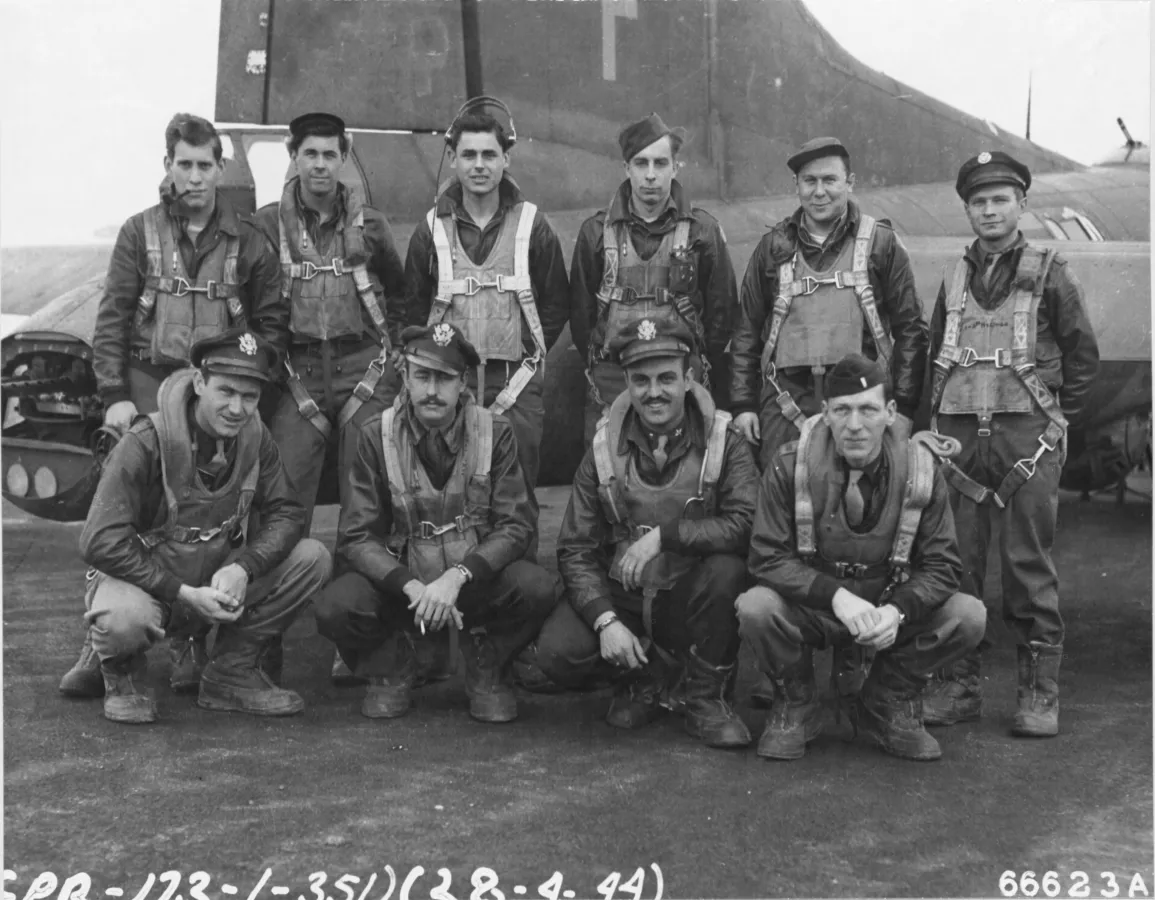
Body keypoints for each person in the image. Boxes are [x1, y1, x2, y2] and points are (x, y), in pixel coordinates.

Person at [62, 113, 287, 699]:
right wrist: (114, 397)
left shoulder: (248, 240)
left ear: (220, 167)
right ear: (168, 167)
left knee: (215, 503)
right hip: (149, 380)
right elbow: (112, 316)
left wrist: (243, 383)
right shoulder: (139, 232)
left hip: (217, 385)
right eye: (183, 165)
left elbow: (270, 324)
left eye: (204, 165)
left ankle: (193, 639)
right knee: (128, 508)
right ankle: (103, 634)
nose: (194, 177)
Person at [922, 152, 1099, 737]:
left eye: (1000, 199)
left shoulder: (1051, 271)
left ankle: (1038, 693)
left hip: (1030, 441)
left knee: (1027, 566)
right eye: (979, 201)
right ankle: (959, 685)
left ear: (1021, 204)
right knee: (956, 565)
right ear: (967, 209)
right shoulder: (952, 277)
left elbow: (1082, 357)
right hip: (960, 444)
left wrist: (1057, 422)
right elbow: (933, 360)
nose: (989, 210)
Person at [73, 329, 331, 724]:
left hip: (212, 578)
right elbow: (99, 540)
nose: (237, 408)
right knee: (123, 619)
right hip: (151, 582)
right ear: (198, 382)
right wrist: (181, 592)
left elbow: (288, 512)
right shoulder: (146, 441)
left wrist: (244, 568)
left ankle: (230, 672)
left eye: (250, 396)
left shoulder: (255, 437)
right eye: (225, 391)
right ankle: (118, 673)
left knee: (312, 558)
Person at [736, 353, 985, 761]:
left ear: (889, 412)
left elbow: (944, 567)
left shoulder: (921, 470)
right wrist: (836, 596)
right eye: (842, 410)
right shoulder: (789, 466)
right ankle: (797, 702)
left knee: (969, 615)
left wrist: (898, 611)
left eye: (868, 409)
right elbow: (766, 556)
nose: (854, 426)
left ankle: (887, 700)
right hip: (816, 605)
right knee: (756, 607)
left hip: (886, 600)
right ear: (825, 413)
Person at [312, 324, 558, 723]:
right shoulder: (376, 434)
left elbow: (517, 526)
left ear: (463, 383)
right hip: (404, 588)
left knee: (537, 588)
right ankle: (395, 664)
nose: (431, 390)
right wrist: (408, 584)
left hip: (472, 584)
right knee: (335, 606)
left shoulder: (496, 432)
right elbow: (356, 536)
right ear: (404, 378)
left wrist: (459, 576)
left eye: (444, 378)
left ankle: (486, 664)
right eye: (422, 376)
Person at [535, 318, 757, 749]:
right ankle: (647, 678)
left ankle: (705, 697)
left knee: (729, 570)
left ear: (688, 379)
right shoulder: (602, 447)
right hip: (628, 593)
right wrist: (605, 621)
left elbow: (748, 522)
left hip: (690, 594)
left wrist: (666, 536)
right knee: (558, 652)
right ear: (627, 383)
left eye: (666, 379)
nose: (654, 392)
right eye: (640, 381)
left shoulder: (725, 440)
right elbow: (576, 547)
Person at [730, 137, 928, 472]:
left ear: (850, 183)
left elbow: (911, 328)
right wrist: (744, 403)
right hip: (785, 400)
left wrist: (904, 407)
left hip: (859, 402)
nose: (819, 192)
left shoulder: (881, 244)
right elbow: (746, 329)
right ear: (797, 186)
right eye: (810, 181)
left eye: (830, 180)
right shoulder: (772, 248)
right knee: (782, 503)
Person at [403, 99, 569, 493]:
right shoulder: (430, 230)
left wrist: (527, 348)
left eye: (490, 155)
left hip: (516, 381)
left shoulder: (534, 226)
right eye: (469, 155)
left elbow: (556, 303)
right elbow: (411, 309)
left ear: (506, 159)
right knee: (451, 491)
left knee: (518, 489)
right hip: (448, 384)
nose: (479, 165)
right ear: (452, 158)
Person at [257, 112, 408, 532]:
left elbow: (400, 293)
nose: (319, 164)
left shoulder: (371, 225)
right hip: (298, 375)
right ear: (294, 156)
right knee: (282, 495)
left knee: (368, 494)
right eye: (309, 154)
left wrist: (394, 354)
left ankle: (358, 589)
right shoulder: (268, 226)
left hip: (364, 370)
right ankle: (283, 586)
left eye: (329, 153)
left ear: (344, 156)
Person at [570, 113, 738, 443]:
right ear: (626, 168)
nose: (650, 175)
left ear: (675, 167)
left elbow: (723, 312)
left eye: (660, 163)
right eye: (640, 163)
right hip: (613, 380)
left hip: (681, 380)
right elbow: (581, 316)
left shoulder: (703, 232)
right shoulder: (594, 234)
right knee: (605, 475)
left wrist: (692, 362)